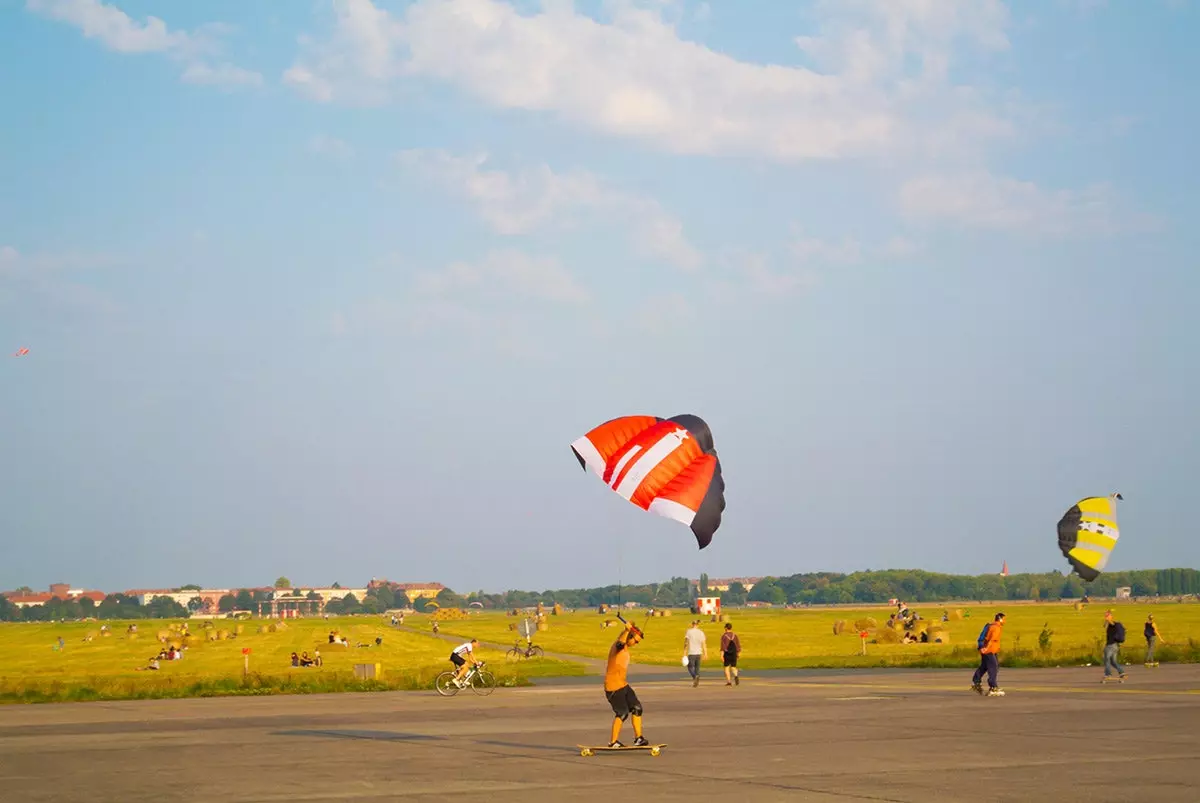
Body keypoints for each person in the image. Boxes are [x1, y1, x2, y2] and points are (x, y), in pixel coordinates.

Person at [604, 620, 649, 748]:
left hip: (623, 686)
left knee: (637, 708)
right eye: (635, 641)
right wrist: (627, 630)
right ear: (629, 637)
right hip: (613, 688)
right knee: (622, 713)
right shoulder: (617, 647)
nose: (635, 644)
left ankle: (638, 738)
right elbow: (620, 643)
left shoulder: (626, 648)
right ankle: (613, 742)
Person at [971, 612, 1006, 697]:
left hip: (989, 651)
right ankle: (993, 687)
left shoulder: (991, 626)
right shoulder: (996, 627)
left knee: (984, 666)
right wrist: (986, 648)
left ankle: (976, 681)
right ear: (1000, 619)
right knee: (994, 667)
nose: (1005, 621)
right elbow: (992, 640)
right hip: (988, 651)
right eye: (1004, 619)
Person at [683, 621, 708, 687]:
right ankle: (696, 678)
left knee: (690, 667)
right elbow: (704, 644)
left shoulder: (689, 631)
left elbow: (686, 643)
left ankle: (695, 677)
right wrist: (705, 653)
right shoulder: (701, 632)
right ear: (698, 625)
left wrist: (684, 652)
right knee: (697, 668)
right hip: (699, 653)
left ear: (692, 624)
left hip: (691, 653)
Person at [1103, 610, 1126, 680]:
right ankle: (1122, 672)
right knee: (1113, 661)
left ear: (1111, 617)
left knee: (1106, 659)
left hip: (1110, 645)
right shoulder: (1110, 625)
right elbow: (1104, 626)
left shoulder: (1114, 624)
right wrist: (1107, 619)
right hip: (1115, 646)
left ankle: (1108, 674)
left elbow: (1111, 623)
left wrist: (1108, 618)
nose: (1106, 617)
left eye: (1108, 616)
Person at [720, 622, 741, 686]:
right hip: (734, 653)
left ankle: (729, 681)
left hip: (727, 653)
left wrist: (721, 655)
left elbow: (723, 647)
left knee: (726, 667)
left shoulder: (724, 636)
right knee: (733, 667)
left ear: (726, 628)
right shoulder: (735, 635)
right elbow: (738, 645)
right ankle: (736, 675)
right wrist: (738, 653)